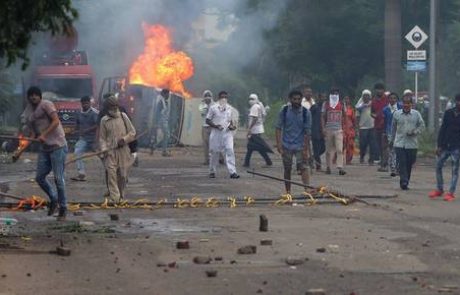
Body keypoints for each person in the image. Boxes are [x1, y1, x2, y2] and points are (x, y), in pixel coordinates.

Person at [21, 86, 68, 220]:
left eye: (36, 95)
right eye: (31, 95)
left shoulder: (46, 104)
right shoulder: (29, 112)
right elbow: (32, 134)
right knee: (40, 177)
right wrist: (19, 152)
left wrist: (44, 134)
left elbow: (56, 121)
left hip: (58, 146)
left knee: (58, 179)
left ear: (40, 96)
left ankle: (63, 208)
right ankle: (54, 199)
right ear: (28, 97)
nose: (33, 97)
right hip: (45, 148)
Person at [99, 95, 136, 203]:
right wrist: (104, 149)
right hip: (110, 152)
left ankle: (121, 196)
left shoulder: (123, 117)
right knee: (112, 175)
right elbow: (102, 138)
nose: (113, 109)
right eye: (111, 107)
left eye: (115, 107)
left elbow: (132, 132)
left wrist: (124, 140)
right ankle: (115, 199)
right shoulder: (104, 120)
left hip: (123, 151)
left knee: (122, 176)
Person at [276, 90, 311, 194]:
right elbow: (278, 128)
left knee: (304, 167)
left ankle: (307, 189)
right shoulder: (284, 110)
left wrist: (306, 149)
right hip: (286, 145)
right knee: (287, 169)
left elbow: (307, 132)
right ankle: (288, 192)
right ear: (290, 99)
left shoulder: (306, 113)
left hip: (300, 145)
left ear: (301, 99)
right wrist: (279, 144)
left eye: (299, 99)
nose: (296, 101)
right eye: (294, 99)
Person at [429, 94, 460, 201]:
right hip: (446, 145)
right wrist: (439, 145)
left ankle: (451, 192)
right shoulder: (448, 113)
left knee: (455, 170)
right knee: (438, 166)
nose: (459, 103)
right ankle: (439, 189)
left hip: (457, 147)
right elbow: (443, 129)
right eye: (458, 101)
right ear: (455, 101)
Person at [390, 95, 425, 190]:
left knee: (409, 163)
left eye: (408, 103)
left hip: (412, 144)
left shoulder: (416, 114)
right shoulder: (396, 114)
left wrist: (414, 132)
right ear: (402, 104)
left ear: (411, 104)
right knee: (402, 162)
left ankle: (406, 180)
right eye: (404, 103)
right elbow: (393, 128)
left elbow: (422, 126)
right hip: (399, 143)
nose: (406, 105)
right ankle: (404, 181)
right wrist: (391, 140)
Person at [206, 91, 239, 179]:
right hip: (216, 133)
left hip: (227, 133)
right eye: (222, 97)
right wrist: (215, 126)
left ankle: (233, 172)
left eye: (225, 97)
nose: (224, 99)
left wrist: (232, 127)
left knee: (230, 150)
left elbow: (232, 121)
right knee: (214, 152)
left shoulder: (230, 108)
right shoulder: (213, 108)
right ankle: (212, 171)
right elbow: (207, 120)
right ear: (219, 98)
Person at [71, 96, 99, 181]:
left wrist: (87, 131)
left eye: (87, 103)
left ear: (90, 103)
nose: (85, 105)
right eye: (84, 103)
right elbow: (77, 123)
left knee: (103, 155)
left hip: (94, 138)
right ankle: (81, 173)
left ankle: (110, 171)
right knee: (77, 152)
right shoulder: (78, 113)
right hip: (83, 138)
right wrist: (74, 130)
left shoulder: (95, 113)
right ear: (81, 103)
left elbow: (98, 125)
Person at [243, 94, 273, 167]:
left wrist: (249, 129)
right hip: (257, 130)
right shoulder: (258, 106)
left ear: (256, 99)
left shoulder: (255, 107)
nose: (251, 100)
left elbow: (255, 119)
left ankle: (247, 163)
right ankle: (268, 161)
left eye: (252, 99)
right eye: (250, 99)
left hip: (255, 130)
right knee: (255, 147)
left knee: (252, 147)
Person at [322, 88, 347, 175]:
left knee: (339, 149)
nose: (335, 96)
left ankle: (340, 167)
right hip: (329, 129)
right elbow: (322, 116)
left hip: (338, 130)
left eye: (336, 94)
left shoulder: (342, 104)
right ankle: (328, 167)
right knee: (328, 150)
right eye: (333, 94)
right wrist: (323, 128)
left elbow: (345, 116)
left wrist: (345, 128)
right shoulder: (326, 104)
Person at [383, 92, 402, 176]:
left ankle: (398, 167)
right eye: (391, 98)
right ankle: (393, 168)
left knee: (399, 150)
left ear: (397, 99)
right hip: (389, 131)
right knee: (392, 150)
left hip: (400, 131)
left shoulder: (401, 108)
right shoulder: (385, 109)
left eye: (394, 98)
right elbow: (384, 122)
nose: (392, 100)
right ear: (388, 99)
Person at [371, 83, 389, 171]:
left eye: (380, 89)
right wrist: (374, 115)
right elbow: (372, 112)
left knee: (384, 145)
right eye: (377, 89)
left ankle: (385, 164)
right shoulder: (373, 100)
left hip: (386, 125)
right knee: (379, 146)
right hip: (377, 125)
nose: (379, 91)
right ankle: (383, 162)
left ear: (383, 90)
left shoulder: (387, 99)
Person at [310, 94, 326, 171]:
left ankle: (311, 158)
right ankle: (318, 166)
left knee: (323, 148)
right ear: (318, 98)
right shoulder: (314, 107)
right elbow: (309, 117)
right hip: (315, 131)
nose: (323, 99)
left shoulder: (324, 108)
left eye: (324, 97)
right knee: (316, 149)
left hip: (321, 131)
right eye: (322, 97)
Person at [199, 90, 214, 165]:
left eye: (209, 96)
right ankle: (206, 160)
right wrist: (206, 107)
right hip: (205, 126)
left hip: (212, 126)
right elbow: (202, 113)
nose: (207, 98)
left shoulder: (214, 105)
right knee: (205, 144)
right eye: (206, 96)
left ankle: (220, 158)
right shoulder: (202, 104)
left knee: (214, 143)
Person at [156, 89, 171, 157]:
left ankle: (155, 147)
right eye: (168, 94)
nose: (169, 96)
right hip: (162, 121)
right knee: (167, 135)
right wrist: (157, 122)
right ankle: (164, 151)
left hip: (164, 120)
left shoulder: (163, 100)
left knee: (165, 135)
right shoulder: (161, 101)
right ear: (165, 94)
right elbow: (158, 112)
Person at [343, 95, 356, 165]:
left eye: (348, 99)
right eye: (345, 99)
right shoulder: (341, 108)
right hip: (343, 129)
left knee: (350, 145)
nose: (346, 100)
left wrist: (355, 129)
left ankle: (349, 160)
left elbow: (354, 120)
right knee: (341, 144)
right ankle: (337, 159)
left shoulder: (351, 109)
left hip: (350, 129)